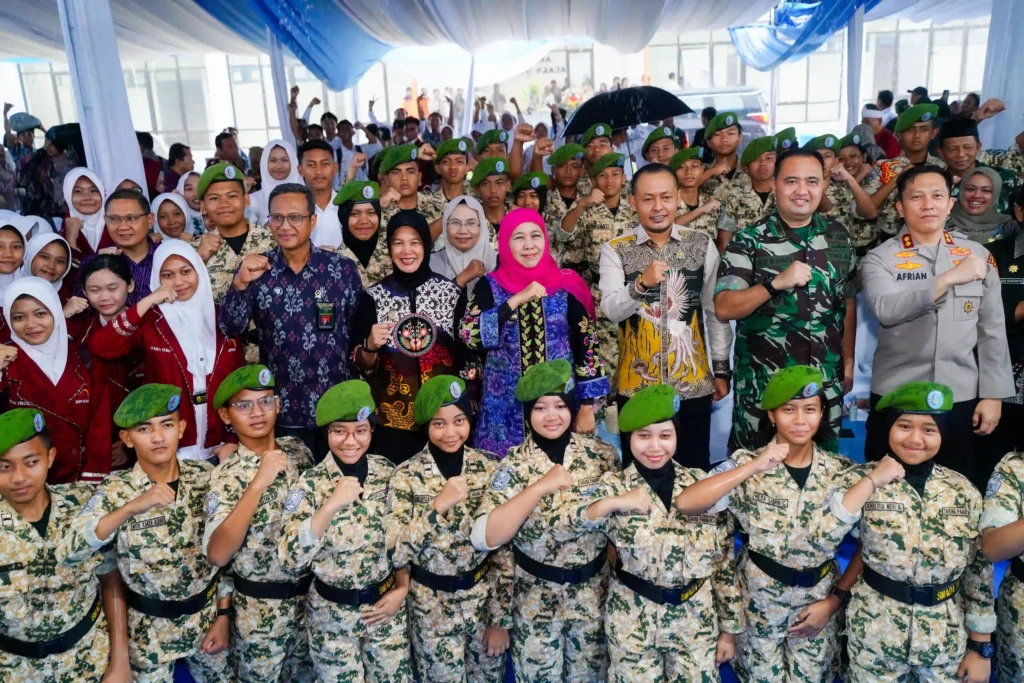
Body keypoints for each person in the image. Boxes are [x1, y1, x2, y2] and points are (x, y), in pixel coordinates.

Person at [674, 365, 867, 681]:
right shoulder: (747, 465)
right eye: (789, 410)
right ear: (772, 415)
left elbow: (869, 547)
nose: (800, 419)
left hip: (818, 605)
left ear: (822, 414)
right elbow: (687, 502)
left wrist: (835, 601)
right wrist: (753, 466)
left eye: (810, 409)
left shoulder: (842, 473)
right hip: (758, 607)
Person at [61, 383, 234, 682]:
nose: (157, 437)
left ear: (181, 428)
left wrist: (223, 615)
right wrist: (130, 508)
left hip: (206, 623)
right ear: (126, 439)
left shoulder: (206, 478)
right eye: (144, 429)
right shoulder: (116, 491)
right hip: (147, 634)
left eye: (166, 425)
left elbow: (227, 554)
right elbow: (70, 551)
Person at [569, 384, 740, 681]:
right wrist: (615, 503)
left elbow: (724, 561)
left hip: (695, 620)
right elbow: (575, 524)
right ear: (630, 438)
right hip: (632, 620)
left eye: (665, 436)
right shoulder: (613, 487)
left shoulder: (702, 486)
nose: (655, 447)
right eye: (644, 436)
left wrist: (729, 630)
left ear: (677, 437)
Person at [860, 164, 1013, 488]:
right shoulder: (879, 258)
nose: (928, 204)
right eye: (917, 197)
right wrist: (947, 279)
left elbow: (992, 330)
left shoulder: (977, 255)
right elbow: (887, 309)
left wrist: (993, 395)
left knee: (957, 489)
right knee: (886, 491)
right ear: (900, 207)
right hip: (896, 394)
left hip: (959, 396)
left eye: (937, 196)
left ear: (950, 203)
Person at [470, 360, 620, 681]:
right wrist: (539, 487)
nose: (551, 416)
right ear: (528, 413)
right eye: (540, 408)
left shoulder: (602, 456)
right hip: (535, 603)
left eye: (560, 406)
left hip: (593, 599)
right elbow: (486, 538)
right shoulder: (512, 466)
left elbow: (616, 533)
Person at [838, 382, 994, 683]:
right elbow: (825, 534)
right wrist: (871, 481)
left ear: (942, 434)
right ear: (889, 428)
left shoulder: (963, 492)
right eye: (904, 426)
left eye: (929, 429)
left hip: (943, 640)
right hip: (875, 633)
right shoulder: (859, 480)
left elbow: (978, 571)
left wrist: (981, 647)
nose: (915, 439)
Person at [715, 148, 858, 453]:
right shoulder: (749, 240)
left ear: (824, 185)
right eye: (791, 181)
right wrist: (773, 284)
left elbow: (847, 302)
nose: (802, 190)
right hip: (764, 387)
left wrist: (848, 361)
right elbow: (724, 307)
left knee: (823, 467)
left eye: (811, 181)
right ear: (774, 184)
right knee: (754, 467)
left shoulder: (838, 237)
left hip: (823, 384)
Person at [278, 379, 413, 682]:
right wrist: (329, 507)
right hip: (332, 619)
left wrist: (402, 588)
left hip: (384, 611)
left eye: (360, 430)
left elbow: (403, 540)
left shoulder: (387, 472)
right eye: (339, 431)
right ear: (326, 433)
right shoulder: (309, 485)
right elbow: (289, 559)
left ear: (371, 431)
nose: (350, 441)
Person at [599, 163, 731, 470]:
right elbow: (611, 310)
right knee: (641, 475)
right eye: (648, 199)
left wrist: (721, 369)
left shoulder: (701, 244)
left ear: (678, 199)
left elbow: (714, 312)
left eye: (666, 197)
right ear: (633, 202)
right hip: (637, 387)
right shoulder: (616, 250)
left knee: (694, 472)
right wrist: (640, 285)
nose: (658, 207)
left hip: (693, 385)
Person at [221, 183, 363, 461]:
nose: (285, 226)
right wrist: (239, 284)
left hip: (336, 409)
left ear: (313, 221)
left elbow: (357, 334)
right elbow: (231, 327)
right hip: (282, 411)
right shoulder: (257, 269)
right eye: (277, 217)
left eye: (295, 217)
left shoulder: (341, 270)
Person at [390, 375, 511, 682]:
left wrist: (500, 620)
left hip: (483, 604)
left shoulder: (489, 468)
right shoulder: (405, 476)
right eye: (438, 423)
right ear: (425, 426)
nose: (450, 433)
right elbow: (396, 552)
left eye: (459, 421)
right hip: (431, 609)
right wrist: (436, 508)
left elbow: (505, 551)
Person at [460, 208, 608, 455]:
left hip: (559, 410)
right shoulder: (490, 286)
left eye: (535, 236)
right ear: (505, 244)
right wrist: (515, 301)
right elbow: (470, 336)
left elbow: (587, 348)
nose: (529, 245)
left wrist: (586, 407)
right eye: (519, 237)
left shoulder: (567, 285)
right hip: (504, 415)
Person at [0, 408, 131, 682]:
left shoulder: (83, 504)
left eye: (31, 462)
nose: (19, 477)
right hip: (15, 670)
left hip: (90, 658)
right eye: (4, 466)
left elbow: (110, 578)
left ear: (50, 457)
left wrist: (120, 662)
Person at [204, 365, 315, 683]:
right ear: (225, 416)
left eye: (265, 401)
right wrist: (257, 484)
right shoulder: (227, 476)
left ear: (278, 405)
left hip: (310, 605)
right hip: (260, 614)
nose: (257, 412)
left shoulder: (298, 451)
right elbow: (217, 555)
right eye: (243, 405)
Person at [89, 239, 243, 462]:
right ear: (157, 279)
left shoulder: (222, 317)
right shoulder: (151, 321)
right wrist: (149, 300)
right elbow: (101, 347)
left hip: (220, 442)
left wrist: (232, 438)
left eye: (186, 271)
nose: (179, 282)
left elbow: (237, 384)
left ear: (199, 271)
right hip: (168, 446)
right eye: (168, 275)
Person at [352, 210, 467, 465]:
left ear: (425, 244)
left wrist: (464, 408)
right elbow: (361, 367)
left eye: (414, 242)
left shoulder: (451, 294)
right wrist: (370, 346)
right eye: (398, 243)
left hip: (444, 420)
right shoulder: (373, 297)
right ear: (389, 248)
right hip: (392, 424)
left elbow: (466, 358)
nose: (407, 251)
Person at [0, 277, 112, 484]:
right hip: (24, 481)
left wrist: (92, 478)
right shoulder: (6, 362)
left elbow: (100, 424)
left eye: (41, 314)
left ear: (56, 312)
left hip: (80, 478)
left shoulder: (84, 358)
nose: (31, 324)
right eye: (19, 317)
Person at [558, 153, 637, 383]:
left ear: (624, 178)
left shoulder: (635, 208)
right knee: (604, 359)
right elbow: (562, 234)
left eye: (615, 174)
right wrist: (581, 204)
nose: (609, 180)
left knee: (637, 357)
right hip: (601, 294)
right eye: (602, 175)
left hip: (636, 290)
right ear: (593, 181)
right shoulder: (587, 211)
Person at [72, 254, 144, 438]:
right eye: (94, 290)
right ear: (84, 292)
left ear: (130, 285)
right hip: (96, 429)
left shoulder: (149, 325)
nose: (104, 297)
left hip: (143, 425)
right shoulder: (81, 330)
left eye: (112, 288)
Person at [859, 104, 946, 239]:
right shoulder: (883, 167)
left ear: (933, 133)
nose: (917, 135)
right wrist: (896, 179)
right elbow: (864, 210)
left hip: (931, 239)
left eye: (924, 129)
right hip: (889, 240)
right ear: (898, 135)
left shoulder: (941, 168)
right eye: (910, 130)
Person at [195, 163, 276, 304]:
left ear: (246, 199)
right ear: (203, 206)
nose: (224, 204)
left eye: (232, 196)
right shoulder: (193, 252)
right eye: (214, 198)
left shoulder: (274, 240)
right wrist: (198, 259)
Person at [983, 193, 1024, 465]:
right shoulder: (993, 254)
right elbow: (979, 314)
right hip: (1003, 387)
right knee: (992, 467)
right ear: (1019, 211)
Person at [90, 188, 160, 306]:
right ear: (105, 221)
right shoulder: (92, 264)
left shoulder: (169, 257)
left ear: (149, 220)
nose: (123, 227)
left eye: (131, 218)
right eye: (114, 219)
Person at [939, 118, 1021, 215]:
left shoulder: (1005, 178)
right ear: (941, 152)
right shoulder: (935, 182)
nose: (961, 154)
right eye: (953, 149)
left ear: (978, 147)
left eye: (967, 147)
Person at [804, 134, 879, 238]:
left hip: (843, 247)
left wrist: (850, 179)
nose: (822, 161)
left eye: (827, 156)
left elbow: (871, 214)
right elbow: (824, 206)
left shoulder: (842, 187)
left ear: (835, 161)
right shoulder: (802, 188)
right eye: (817, 156)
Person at [713, 135, 776, 253]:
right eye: (756, 159)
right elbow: (724, 241)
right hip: (743, 260)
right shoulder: (734, 196)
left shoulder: (785, 195)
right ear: (746, 169)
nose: (763, 163)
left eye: (769, 158)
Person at [431, 195, 497, 296]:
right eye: (455, 222)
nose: (463, 231)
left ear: (481, 227)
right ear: (445, 226)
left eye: (471, 223)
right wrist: (463, 278)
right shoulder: (431, 263)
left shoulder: (496, 264)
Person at [334, 180, 392, 287]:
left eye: (371, 213)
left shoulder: (395, 254)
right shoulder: (333, 262)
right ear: (343, 217)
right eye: (355, 214)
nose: (364, 221)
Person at [835, 132, 882, 252]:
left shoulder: (875, 178)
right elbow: (841, 196)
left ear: (864, 157)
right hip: (841, 251)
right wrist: (858, 177)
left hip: (871, 249)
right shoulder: (835, 183)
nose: (848, 162)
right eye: (841, 159)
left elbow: (867, 211)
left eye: (853, 156)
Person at [379, 144, 445, 229]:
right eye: (396, 173)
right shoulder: (378, 210)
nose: (404, 178)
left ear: (419, 178)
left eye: (410, 172)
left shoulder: (438, 204)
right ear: (387, 180)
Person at [538, 144, 585, 260]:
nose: (568, 171)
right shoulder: (542, 198)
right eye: (562, 165)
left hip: (581, 268)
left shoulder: (588, 200)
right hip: (550, 267)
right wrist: (536, 156)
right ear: (553, 169)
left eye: (574, 166)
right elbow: (537, 175)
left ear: (581, 171)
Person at [948, 167, 1019, 243]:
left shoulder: (1008, 228)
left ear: (995, 195)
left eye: (986, 190)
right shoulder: (944, 220)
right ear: (962, 191)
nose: (977, 195)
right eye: (970, 189)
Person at [295, 140, 342, 249]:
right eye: (311, 165)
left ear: (335, 168)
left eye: (325, 164)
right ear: (300, 170)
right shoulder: (293, 209)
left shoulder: (347, 206)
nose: (319, 171)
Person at [668, 147, 720, 239]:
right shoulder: (666, 203)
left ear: (702, 171)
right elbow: (663, 231)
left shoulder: (713, 203)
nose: (689, 172)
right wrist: (700, 210)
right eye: (681, 167)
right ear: (673, 173)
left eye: (694, 166)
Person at [249, 139, 302, 228]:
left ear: (293, 162)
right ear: (264, 163)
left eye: (284, 160)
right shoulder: (254, 200)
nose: (279, 166)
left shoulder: (307, 196)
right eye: (273, 160)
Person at [61, 168, 111, 256]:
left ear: (103, 193)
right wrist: (70, 239)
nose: (87, 197)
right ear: (67, 195)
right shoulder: (61, 235)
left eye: (93, 191)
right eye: (78, 191)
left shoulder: (117, 225)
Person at [699, 112, 743, 197]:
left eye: (730, 133)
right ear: (708, 142)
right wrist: (709, 173)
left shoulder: (751, 170)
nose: (724, 139)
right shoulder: (699, 172)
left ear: (740, 138)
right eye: (717, 134)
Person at [21, 233, 72, 302]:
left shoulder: (68, 298)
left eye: (60, 261)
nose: (51, 266)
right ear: (30, 256)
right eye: (45, 257)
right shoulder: (9, 286)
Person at [577, 123, 614, 196]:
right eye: (590, 145)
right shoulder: (573, 182)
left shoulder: (619, 181)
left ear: (612, 150)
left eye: (602, 145)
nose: (597, 149)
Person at [175, 171, 206, 237]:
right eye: (189, 189)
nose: (196, 194)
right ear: (180, 191)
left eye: (200, 188)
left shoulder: (217, 218)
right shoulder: (174, 223)